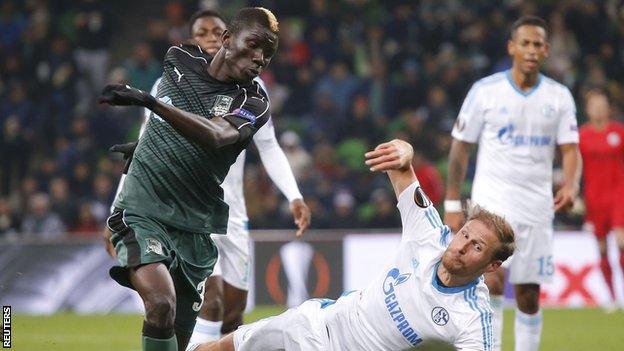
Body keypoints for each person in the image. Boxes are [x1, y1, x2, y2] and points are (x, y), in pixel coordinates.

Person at [102, 9, 311, 348]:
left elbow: (215, 135)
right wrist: (143, 147)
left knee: (224, 316)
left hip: (201, 225)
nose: (260, 58)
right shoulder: (179, 59)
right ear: (228, 40)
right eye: (255, 45)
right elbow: (153, 127)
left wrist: (152, 104)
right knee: (161, 303)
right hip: (145, 210)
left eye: (268, 53)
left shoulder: (253, 102)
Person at [197, 139, 516, 351]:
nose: (462, 246)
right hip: (319, 322)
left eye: (477, 247)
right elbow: (402, 167)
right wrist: (405, 151)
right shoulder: (430, 234)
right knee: (227, 346)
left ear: (491, 265)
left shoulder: (474, 318)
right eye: (464, 235)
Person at [443, 16, 581, 351]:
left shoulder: (558, 96)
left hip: (536, 207)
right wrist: (451, 202)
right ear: (512, 47)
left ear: (546, 50)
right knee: (490, 281)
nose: (531, 50)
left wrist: (572, 184)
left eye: (537, 45)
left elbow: (570, 149)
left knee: (528, 293)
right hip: (492, 204)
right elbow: (461, 146)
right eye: (525, 43)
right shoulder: (485, 92)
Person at [579, 88, 624, 312]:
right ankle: (612, 297)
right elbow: (574, 167)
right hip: (594, 199)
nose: (598, 108)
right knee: (603, 249)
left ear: (608, 107)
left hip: (618, 195)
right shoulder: (581, 136)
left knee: (621, 241)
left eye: (601, 104)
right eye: (593, 104)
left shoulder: (619, 132)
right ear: (587, 109)